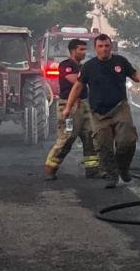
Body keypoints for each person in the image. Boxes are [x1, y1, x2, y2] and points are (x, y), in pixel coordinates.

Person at [60, 34, 140, 188]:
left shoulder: (120, 61)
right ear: (95, 48)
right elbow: (77, 87)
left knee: (127, 141)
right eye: (101, 46)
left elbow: (135, 75)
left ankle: (123, 168)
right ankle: (112, 175)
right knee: (103, 146)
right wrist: (68, 107)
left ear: (111, 46)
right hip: (98, 113)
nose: (104, 49)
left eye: (107, 46)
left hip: (120, 108)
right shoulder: (88, 67)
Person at [43, 38, 101, 179]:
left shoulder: (83, 67)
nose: (84, 52)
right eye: (81, 49)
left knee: (90, 136)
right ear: (73, 50)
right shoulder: (66, 65)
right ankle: (50, 168)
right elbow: (77, 81)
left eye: (85, 49)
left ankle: (92, 170)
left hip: (84, 104)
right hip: (69, 107)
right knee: (67, 138)